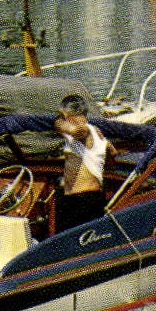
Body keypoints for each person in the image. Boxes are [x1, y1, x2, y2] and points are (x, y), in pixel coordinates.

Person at [53, 93, 109, 234]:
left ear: (70, 115)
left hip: (81, 199)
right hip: (85, 197)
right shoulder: (97, 133)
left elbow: (75, 130)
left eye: (63, 115)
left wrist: (66, 127)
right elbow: (112, 152)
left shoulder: (84, 130)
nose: (62, 119)